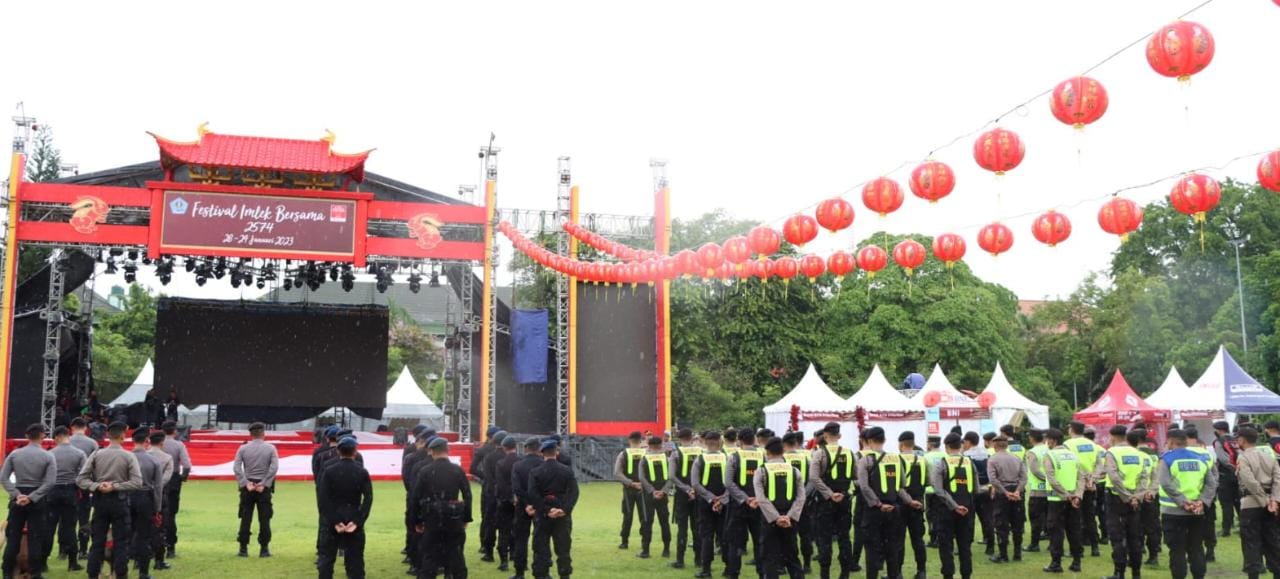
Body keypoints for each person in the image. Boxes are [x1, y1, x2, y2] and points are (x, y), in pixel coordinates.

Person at [76, 421, 143, 579]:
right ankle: (120, 574)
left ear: (107, 435)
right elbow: (137, 482)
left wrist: (97, 486)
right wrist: (115, 486)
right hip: (120, 501)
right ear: (123, 436)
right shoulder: (128, 456)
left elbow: (81, 479)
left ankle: (93, 573)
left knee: (97, 541)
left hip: (100, 501)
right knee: (121, 542)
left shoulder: (97, 454)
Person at [1159, 428, 1218, 579]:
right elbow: (1211, 484)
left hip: (1173, 511)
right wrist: (1202, 502)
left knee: (1177, 550)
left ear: (1170, 441)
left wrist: (1183, 501)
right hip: (1196, 511)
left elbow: (1165, 483)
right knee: (1196, 547)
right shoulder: (1200, 458)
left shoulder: (1167, 459)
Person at [857, 426, 914, 579]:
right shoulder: (896, 459)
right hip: (893, 510)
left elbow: (864, 486)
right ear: (884, 440)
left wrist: (879, 504)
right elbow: (901, 486)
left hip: (874, 511)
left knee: (872, 550)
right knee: (892, 549)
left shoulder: (865, 460)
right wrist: (910, 501)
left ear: (869, 441)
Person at [413, 436, 472, 579]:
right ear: (448, 450)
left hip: (432, 518)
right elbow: (467, 495)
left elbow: (415, 497)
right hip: (453, 518)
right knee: (456, 556)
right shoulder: (457, 470)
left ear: (432, 452)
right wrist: (466, 518)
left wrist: (417, 520)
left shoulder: (425, 471)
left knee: (429, 558)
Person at [2, 424, 55, 578]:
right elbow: (50, 482)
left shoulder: (15, 454)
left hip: (17, 499)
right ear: (43, 436)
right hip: (37, 500)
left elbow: (3, 477)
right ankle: (35, 572)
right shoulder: (48, 456)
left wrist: (17, 495)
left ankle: (7, 571)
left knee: (13, 537)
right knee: (35, 538)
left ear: (26, 436)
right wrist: (32, 497)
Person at [317, 435, 373, 579]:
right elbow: (368, 499)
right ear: (355, 451)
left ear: (338, 451)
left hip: (333, 518)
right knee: (355, 561)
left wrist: (335, 521)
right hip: (353, 516)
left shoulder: (329, 471)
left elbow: (323, 499)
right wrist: (357, 521)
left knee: (326, 559)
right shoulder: (362, 472)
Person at [754, 436, 807, 579]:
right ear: (783, 452)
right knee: (792, 556)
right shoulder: (794, 470)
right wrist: (789, 517)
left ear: (767, 452)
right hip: (790, 520)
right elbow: (801, 497)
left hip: (769, 519)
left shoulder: (761, 471)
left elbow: (761, 498)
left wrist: (776, 518)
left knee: (769, 557)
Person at [810, 421, 857, 579]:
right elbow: (856, 475)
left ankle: (825, 574)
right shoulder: (850, 453)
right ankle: (845, 574)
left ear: (825, 435)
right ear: (840, 435)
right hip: (844, 499)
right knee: (844, 538)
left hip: (825, 502)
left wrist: (829, 494)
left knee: (825, 538)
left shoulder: (819, 453)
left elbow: (814, 478)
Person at [1101, 426, 1147, 579]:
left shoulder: (1112, 452)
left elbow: (1114, 477)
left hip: (1116, 498)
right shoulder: (1138, 453)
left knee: (1117, 537)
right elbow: (1143, 477)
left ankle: (1119, 573)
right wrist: (1136, 497)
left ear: (1112, 437)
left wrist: (1127, 497)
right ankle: (1136, 573)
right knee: (1134, 537)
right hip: (1135, 500)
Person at [530, 439, 579, 579]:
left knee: (541, 549)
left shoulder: (535, 472)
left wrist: (546, 510)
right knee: (563, 549)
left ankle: (542, 574)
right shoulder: (567, 471)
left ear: (542, 453)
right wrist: (563, 509)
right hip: (561, 516)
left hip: (542, 517)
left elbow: (533, 494)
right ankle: (564, 574)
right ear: (556, 452)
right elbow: (574, 493)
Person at [1235, 425, 1280, 579]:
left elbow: (1250, 482)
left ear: (1242, 440)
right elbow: (1278, 480)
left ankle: (1254, 574)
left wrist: (1264, 500)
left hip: (1251, 503)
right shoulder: (1269, 456)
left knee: (1251, 542)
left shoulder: (1243, 457)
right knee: (1272, 540)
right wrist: (1274, 500)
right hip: (1271, 505)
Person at [930, 433, 976, 579]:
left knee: (946, 546)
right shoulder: (969, 462)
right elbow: (975, 488)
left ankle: (948, 575)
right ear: (960, 445)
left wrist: (955, 506)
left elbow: (938, 489)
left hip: (946, 510)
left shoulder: (942, 463)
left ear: (946, 446)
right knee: (965, 546)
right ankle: (966, 575)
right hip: (967, 509)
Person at [1041, 427, 1085, 573]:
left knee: (1056, 532)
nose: (1046, 442)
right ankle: (1076, 561)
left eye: (1047, 439)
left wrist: (1066, 495)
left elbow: (1051, 478)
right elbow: (1081, 477)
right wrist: (1077, 495)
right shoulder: (1073, 455)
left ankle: (1056, 563)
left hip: (1056, 499)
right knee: (1074, 530)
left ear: (1052, 440)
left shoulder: (1050, 455)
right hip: (1074, 500)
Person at [233, 422, 279, 558]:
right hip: (263, 488)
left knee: (245, 518)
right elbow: (274, 468)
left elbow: (237, 468)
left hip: (248, 487)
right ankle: (264, 549)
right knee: (265, 518)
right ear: (263, 433)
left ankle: (243, 548)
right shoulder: (271, 448)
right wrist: (264, 483)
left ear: (250, 434)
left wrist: (245, 483)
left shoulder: (243, 448)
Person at [44, 425, 86, 572]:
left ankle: (42, 562)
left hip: (52, 491)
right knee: (70, 527)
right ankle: (72, 562)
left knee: (49, 528)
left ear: (56, 437)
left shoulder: (50, 453)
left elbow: (45, 475)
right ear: (68, 435)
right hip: (70, 491)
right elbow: (84, 474)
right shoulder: (79, 453)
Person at [725, 427, 765, 579]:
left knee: (735, 543)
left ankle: (734, 574)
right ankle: (762, 573)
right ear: (754, 439)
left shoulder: (734, 457)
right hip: (759, 505)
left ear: (739, 440)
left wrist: (745, 498)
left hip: (738, 505)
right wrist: (757, 498)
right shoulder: (764, 456)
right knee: (760, 541)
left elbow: (728, 483)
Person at [127, 428, 164, 579]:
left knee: (124, 535)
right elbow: (158, 487)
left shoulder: (126, 457)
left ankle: (120, 571)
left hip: (126, 497)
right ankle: (143, 572)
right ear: (147, 441)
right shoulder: (153, 460)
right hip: (145, 499)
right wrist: (157, 508)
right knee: (144, 537)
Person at [691, 431, 729, 579]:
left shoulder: (699, 459)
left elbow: (695, 483)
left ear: (705, 442)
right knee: (724, 535)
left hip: (705, 503)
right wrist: (721, 500)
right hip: (724, 503)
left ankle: (706, 570)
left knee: (706, 536)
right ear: (720, 442)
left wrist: (711, 498)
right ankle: (728, 568)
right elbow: (733, 482)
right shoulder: (728, 458)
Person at [1063, 422, 1102, 558]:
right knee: (1090, 517)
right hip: (1090, 485)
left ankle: (1077, 550)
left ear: (1071, 430)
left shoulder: (1067, 444)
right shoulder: (1093, 444)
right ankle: (1095, 547)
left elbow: (1070, 464)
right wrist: (1092, 479)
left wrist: (1083, 479)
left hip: (1075, 485)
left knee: (1075, 519)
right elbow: (1099, 464)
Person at [987, 435, 1026, 564]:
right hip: (1017, 492)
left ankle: (1003, 555)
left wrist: (1005, 492)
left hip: (1001, 493)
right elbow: (1024, 477)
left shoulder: (993, 459)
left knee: (1001, 524)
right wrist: (1017, 491)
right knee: (1017, 524)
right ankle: (1017, 553)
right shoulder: (1016, 458)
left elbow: (993, 479)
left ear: (995, 445)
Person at [669, 428, 703, 570]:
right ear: (692, 437)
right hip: (699, 494)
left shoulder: (676, 453)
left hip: (682, 495)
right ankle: (699, 560)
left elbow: (672, 476)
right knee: (697, 527)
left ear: (679, 438)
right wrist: (695, 489)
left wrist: (686, 489)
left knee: (682, 528)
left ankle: (680, 560)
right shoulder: (701, 452)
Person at [896, 431, 928, 579]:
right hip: (918, 503)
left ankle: (898, 572)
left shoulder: (896, 460)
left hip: (901, 503)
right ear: (913, 443)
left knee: (898, 540)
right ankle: (922, 571)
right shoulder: (922, 460)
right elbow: (928, 480)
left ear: (901, 444)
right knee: (918, 540)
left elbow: (896, 485)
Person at [781, 432, 814, 573]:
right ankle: (807, 564)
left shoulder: (781, 460)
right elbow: (812, 479)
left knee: (788, 535)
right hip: (803, 501)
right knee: (805, 534)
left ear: (783, 444)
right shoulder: (806, 458)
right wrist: (803, 495)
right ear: (796, 443)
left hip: (786, 502)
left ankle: (786, 563)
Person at [1185, 428, 1219, 562]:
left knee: (1190, 526)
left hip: (1189, 496)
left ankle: (1193, 552)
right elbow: (1215, 476)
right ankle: (1210, 551)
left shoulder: (1182, 454)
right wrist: (1209, 495)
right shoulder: (1207, 454)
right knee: (1209, 524)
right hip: (1207, 497)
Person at [511, 437, 543, 579]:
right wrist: (536, 504)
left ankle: (519, 572)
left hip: (522, 507)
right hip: (540, 507)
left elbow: (517, 488)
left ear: (526, 449)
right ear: (539, 449)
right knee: (541, 539)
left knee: (521, 540)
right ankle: (540, 570)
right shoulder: (543, 464)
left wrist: (526, 504)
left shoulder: (518, 466)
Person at [68, 417, 99, 555]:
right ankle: (83, 549)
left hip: (68, 484)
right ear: (86, 428)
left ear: (72, 427)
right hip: (85, 486)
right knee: (84, 518)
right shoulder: (92, 443)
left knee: (67, 519)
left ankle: (65, 548)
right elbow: (96, 465)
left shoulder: (66, 441)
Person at [400, 432, 431, 573]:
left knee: (414, 529)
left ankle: (414, 560)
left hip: (415, 498)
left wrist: (413, 494)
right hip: (429, 500)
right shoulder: (425, 460)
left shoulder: (412, 459)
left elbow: (407, 479)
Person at [158, 421, 189, 561]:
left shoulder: (157, 443)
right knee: (171, 514)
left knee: (156, 513)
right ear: (175, 431)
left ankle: (154, 545)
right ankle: (171, 547)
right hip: (173, 480)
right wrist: (183, 478)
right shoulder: (179, 445)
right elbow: (186, 465)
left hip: (157, 479)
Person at [638, 435, 672, 559]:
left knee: (647, 522)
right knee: (664, 523)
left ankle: (645, 551)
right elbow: (671, 477)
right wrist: (663, 491)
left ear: (650, 446)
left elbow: (641, 478)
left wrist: (652, 491)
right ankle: (666, 550)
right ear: (661, 445)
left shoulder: (644, 459)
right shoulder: (667, 459)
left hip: (648, 495)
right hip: (663, 495)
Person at [471, 426, 502, 561]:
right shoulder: (503, 450)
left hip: (488, 487)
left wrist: (485, 478)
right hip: (502, 487)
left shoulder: (482, 450)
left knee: (487, 516)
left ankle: (485, 545)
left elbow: (473, 468)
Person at [1134, 428, 1162, 568]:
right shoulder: (1154, 454)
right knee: (1152, 524)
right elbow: (1157, 474)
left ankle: (1139, 550)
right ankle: (1154, 555)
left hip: (1138, 494)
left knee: (1136, 524)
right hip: (1152, 494)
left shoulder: (1135, 454)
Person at [613, 431, 646, 551]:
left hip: (628, 490)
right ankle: (645, 542)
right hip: (643, 489)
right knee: (644, 516)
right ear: (641, 440)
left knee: (627, 515)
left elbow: (617, 473)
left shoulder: (623, 454)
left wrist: (630, 483)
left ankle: (624, 542)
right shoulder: (647, 453)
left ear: (629, 440)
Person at [961, 432, 993, 556]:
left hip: (971, 490)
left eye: (964, 442)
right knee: (987, 518)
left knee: (969, 520)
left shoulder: (965, 456)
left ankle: (967, 547)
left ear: (968, 442)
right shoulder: (987, 454)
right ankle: (990, 546)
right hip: (986, 489)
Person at [147, 430, 174, 571]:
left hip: (142, 493)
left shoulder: (141, 456)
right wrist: (155, 487)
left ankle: (139, 559)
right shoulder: (167, 458)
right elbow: (165, 479)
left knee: (139, 528)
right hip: (160, 495)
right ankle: (159, 560)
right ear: (162, 443)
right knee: (160, 527)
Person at [481, 431, 510, 563]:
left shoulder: (489, 457)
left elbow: (487, 476)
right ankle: (510, 551)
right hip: (506, 495)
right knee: (508, 524)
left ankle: (489, 552)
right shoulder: (509, 457)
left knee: (490, 524)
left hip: (491, 494)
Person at [495, 435, 521, 571]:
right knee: (518, 529)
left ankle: (503, 560)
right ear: (515, 447)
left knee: (504, 530)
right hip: (519, 500)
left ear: (504, 448)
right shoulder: (521, 462)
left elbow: (500, 484)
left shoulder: (500, 463)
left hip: (504, 500)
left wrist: (508, 496)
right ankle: (515, 554)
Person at [1211, 421, 1240, 538]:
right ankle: (1243, 526)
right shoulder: (1235, 440)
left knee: (1226, 503)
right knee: (1238, 501)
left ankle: (1226, 529)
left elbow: (1223, 459)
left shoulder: (1218, 441)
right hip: (1238, 474)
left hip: (1225, 475)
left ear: (1219, 430)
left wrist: (1232, 467)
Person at [1024, 429, 1050, 553]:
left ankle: (1034, 544)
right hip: (1051, 489)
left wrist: (1046, 479)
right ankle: (1052, 543)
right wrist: (1051, 480)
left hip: (1037, 490)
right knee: (1051, 518)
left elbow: (1034, 470)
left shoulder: (1033, 452)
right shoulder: (1049, 449)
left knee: (1035, 519)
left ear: (1032, 438)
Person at [922, 435, 946, 549]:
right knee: (942, 514)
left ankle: (933, 538)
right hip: (943, 490)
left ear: (930, 444)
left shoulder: (926, 457)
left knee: (931, 515)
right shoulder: (945, 455)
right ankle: (941, 538)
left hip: (930, 490)